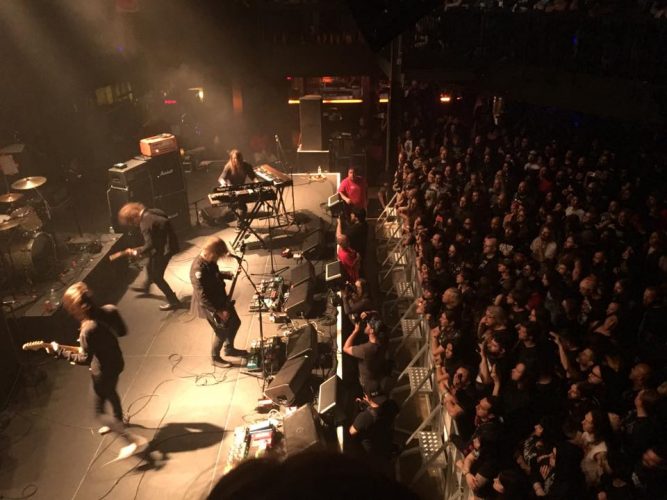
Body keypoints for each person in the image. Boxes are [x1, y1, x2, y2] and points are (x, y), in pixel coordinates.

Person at [48, 282, 146, 460]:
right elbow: (122, 332)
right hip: (116, 362)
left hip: (102, 371)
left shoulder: (87, 330)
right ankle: (118, 420)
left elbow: (85, 359)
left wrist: (59, 352)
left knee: (99, 411)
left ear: (76, 308)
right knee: (111, 390)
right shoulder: (109, 310)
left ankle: (131, 440)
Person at [190, 236, 247, 367]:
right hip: (209, 305)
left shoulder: (209, 260)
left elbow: (214, 273)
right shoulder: (198, 269)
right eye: (217, 256)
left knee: (235, 322)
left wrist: (228, 274)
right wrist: (218, 312)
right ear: (211, 253)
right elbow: (202, 297)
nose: (217, 259)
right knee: (221, 331)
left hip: (220, 299)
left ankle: (229, 348)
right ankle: (215, 358)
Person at [117, 202, 181, 311]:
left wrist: (135, 251)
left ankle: (174, 301)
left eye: (132, 223)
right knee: (150, 264)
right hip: (169, 243)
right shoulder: (154, 211)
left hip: (165, 250)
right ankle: (146, 287)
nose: (134, 225)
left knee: (157, 277)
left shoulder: (144, 224)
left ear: (133, 217)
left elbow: (150, 245)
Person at [218, 149, 258, 225]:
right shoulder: (228, 166)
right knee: (238, 206)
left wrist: (258, 183)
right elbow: (221, 178)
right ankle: (238, 224)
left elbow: (253, 177)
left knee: (238, 206)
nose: (237, 161)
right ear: (232, 159)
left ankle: (238, 224)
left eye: (238, 159)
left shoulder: (246, 166)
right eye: (235, 159)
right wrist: (224, 183)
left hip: (241, 189)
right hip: (231, 189)